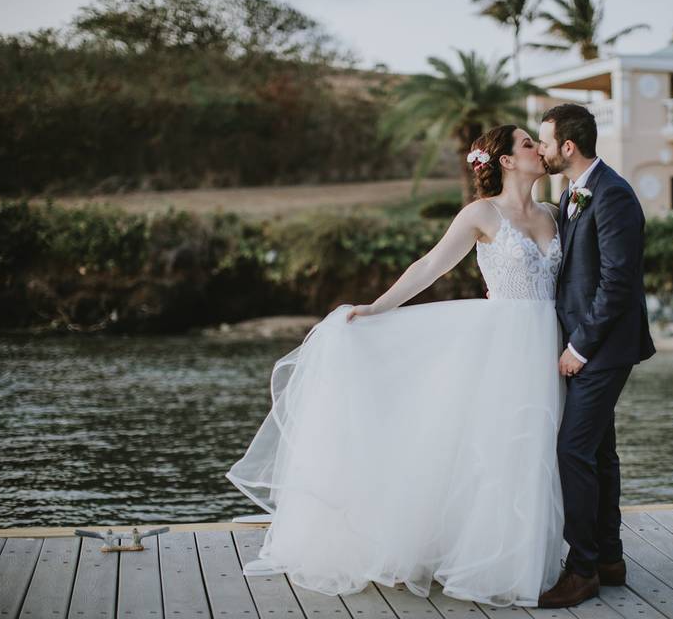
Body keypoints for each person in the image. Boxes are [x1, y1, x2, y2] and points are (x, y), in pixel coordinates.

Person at [226, 124, 570, 607]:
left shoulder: (555, 214)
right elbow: (429, 267)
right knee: (500, 449)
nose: (538, 148)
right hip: (502, 348)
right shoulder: (480, 214)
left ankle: (529, 563)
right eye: (529, 143)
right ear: (507, 161)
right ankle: (498, 567)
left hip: (545, 344)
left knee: (539, 449)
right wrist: (375, 309)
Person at [535, 103, 656, 609]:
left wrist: (580, 348)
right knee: (600, 453)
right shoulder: (570, 194)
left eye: (544, 141)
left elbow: (617, 282)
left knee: (572, 451)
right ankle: (609, 558)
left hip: (603, 346)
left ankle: (581, 567)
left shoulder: (614, 194)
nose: (540, 150)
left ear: (567, 146)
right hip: (587, 340)